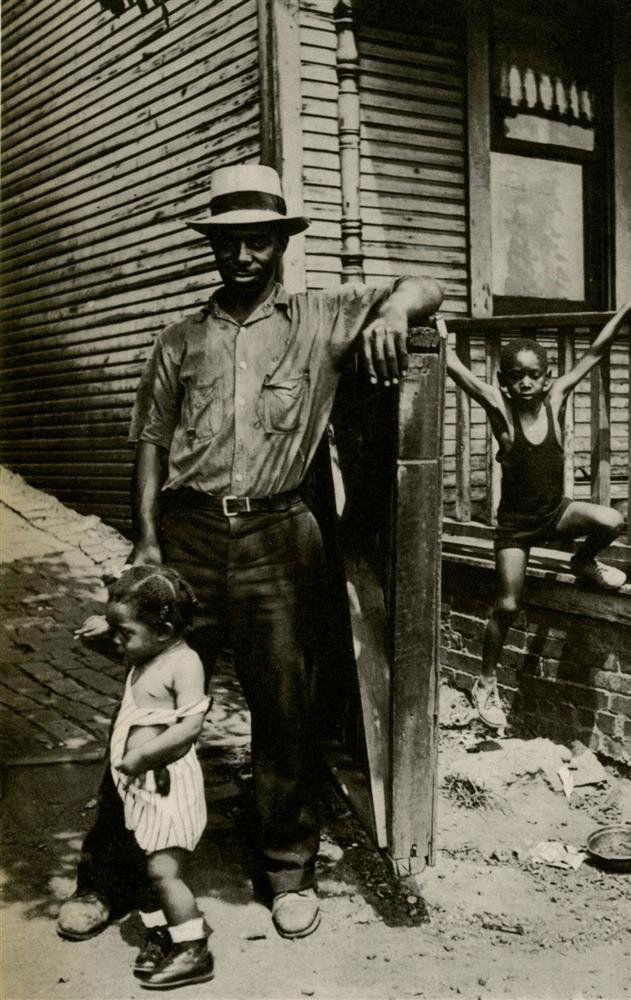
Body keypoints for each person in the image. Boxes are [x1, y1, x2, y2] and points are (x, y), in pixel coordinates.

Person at [57, 163, 443, 942]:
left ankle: (287, 871)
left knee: (286, 706)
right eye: (229, 243)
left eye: (258, 242)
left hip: (278, 533)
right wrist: (147, 538)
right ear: (214, 247)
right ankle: (109, 875)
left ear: (280, 245)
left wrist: (397, 311)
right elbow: (152, 444)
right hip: (190, 534)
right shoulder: (179, 340)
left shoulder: (322, 317)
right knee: (148, 705)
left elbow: (424, 280)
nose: (243, 257)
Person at [444, 300, 631, 729]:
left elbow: (593, 354)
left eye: (533, 374)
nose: (525, 383)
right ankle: (485, 682)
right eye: (516, 376)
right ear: (504, 381)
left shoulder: (555, 401)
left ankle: (583, 560)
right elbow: (460, 373)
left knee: (613, 520)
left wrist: (623, 312)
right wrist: (438, 334)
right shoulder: (501, 413)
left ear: (546, 377)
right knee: (507, 603)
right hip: (516, 528)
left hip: (555, 514)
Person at [70, 566, 213, 989]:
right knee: (144, 867)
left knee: (164, 872)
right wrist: (110, 626)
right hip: (141, 790)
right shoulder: (148, 650)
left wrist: (142, 756)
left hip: (166, 787)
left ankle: (194, 948)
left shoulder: (184, 663)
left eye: (124, 632)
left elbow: (189, 726)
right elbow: (132, 646)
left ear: (165, 629)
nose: (118, 641)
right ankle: (163, 934)